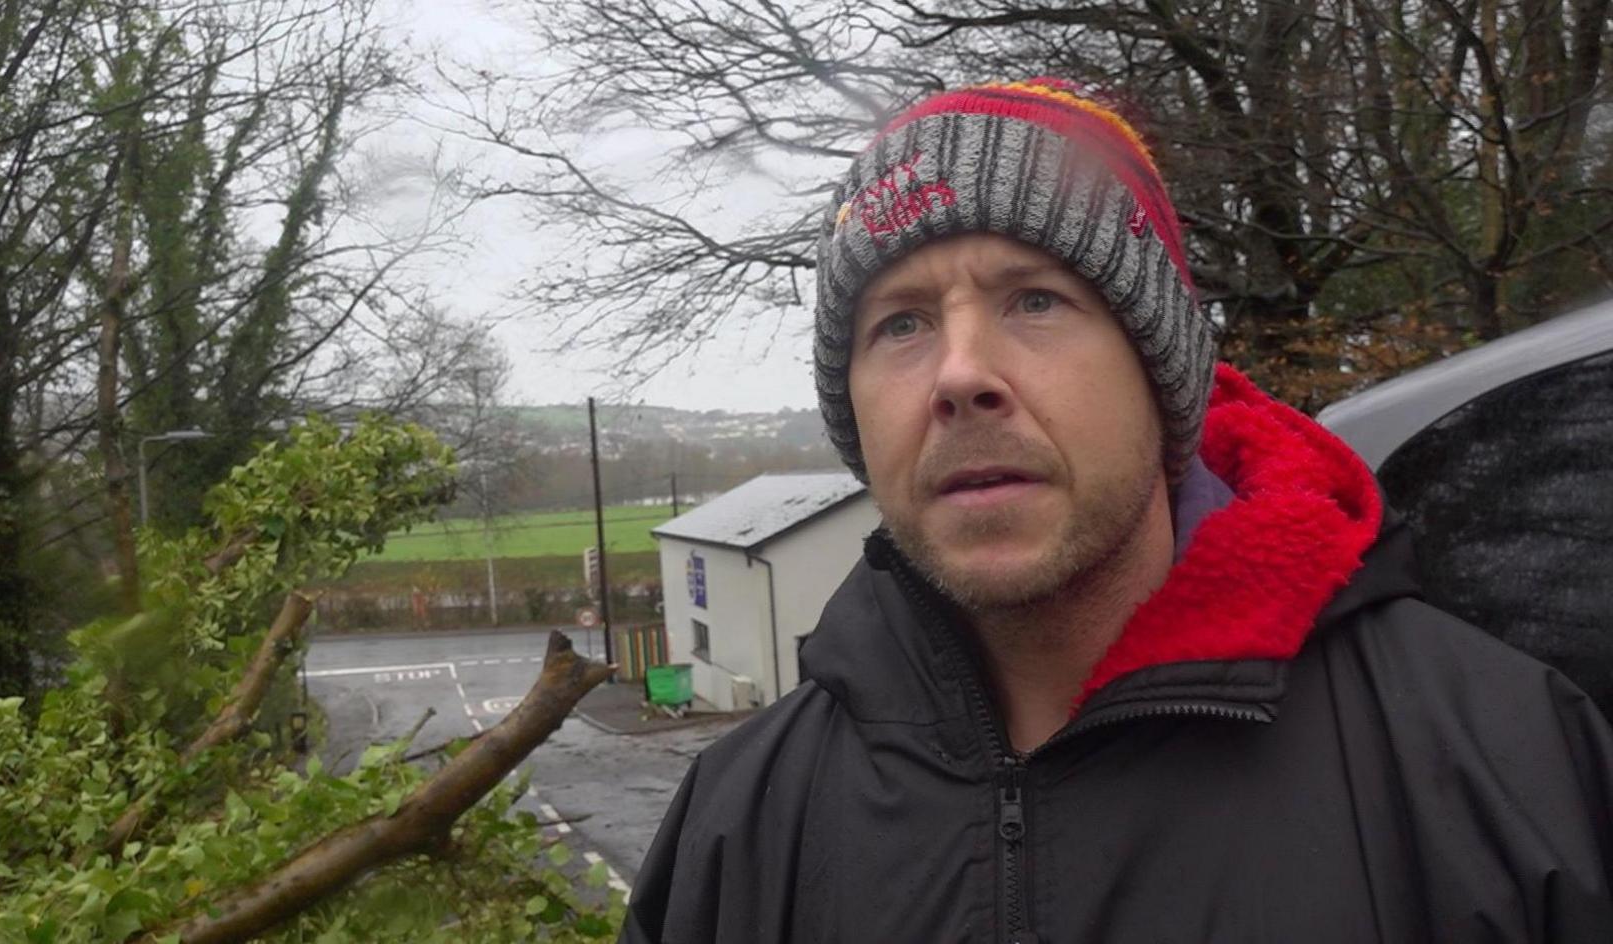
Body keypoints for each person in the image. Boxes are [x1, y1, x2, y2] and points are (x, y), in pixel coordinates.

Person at [620, 78, 1613, 943]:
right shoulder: (740, 822)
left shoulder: (1500, 764)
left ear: (1161, 374)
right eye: (903, 322)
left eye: (1036, 299)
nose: (962, 374)